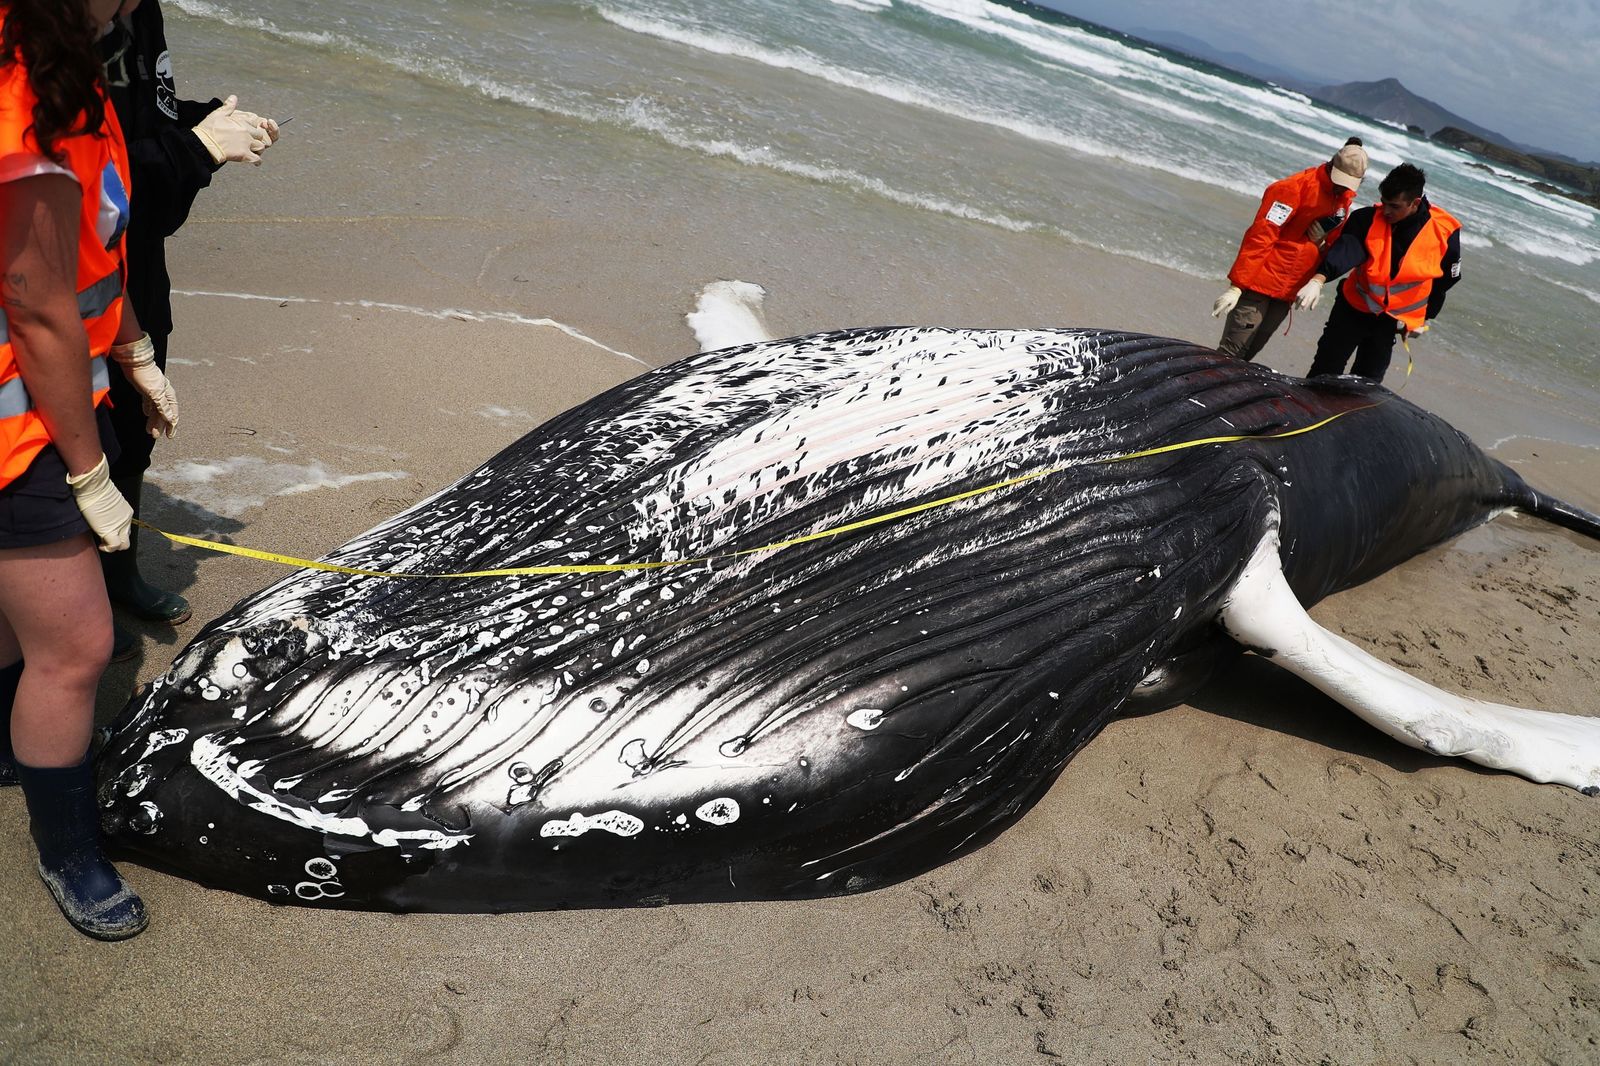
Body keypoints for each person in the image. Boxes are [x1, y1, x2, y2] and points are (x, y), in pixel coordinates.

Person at [0, 0, 178, 939]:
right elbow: (35, 309)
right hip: (20, 429)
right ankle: (67, 845)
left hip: (59, 400)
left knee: (17, 622)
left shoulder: (79, 64)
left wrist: (135, 347)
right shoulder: (20, 91)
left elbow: (94, 248)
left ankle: (11, 742)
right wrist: (85, 474)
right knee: (76, 647)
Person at [97, 0, 275, 650]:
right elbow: (98, 184)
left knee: (134, 431)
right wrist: (197, 149)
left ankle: (117, 573)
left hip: (139, 273)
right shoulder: (67, 29)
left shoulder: (139, 13)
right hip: (77, 276)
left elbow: (148, 120)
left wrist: (205, 123)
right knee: (79, 444)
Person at [1297, 162, 1462, 383]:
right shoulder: (1366, 219)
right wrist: (1318, 280)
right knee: (1325, 369)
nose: (1386, 211)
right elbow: (1347, 250)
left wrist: (1424, 318)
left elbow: (1444, 281)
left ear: (1415, 203)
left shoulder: (1445, 231)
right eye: (1384, 202)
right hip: (1353, 308)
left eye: (1394, 206)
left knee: (1367, 382)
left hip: (1389, 321)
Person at [1211, 138, 1368, 361]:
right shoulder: (1293, 189)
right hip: (1259, 283)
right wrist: (1237, 286)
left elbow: (1332, 246)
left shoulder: (1343, 201)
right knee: (1231, 352)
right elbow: (1261, 237)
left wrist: (1318, 263)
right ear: (1331, 165)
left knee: (1248, 356)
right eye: (1341, 181)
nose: (1343, 188)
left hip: (1288, 290)